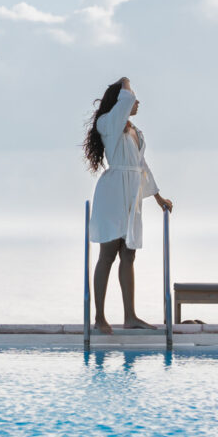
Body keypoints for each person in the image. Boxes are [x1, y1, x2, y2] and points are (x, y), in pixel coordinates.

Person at [83, 77, 173, 334]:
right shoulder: (109, 123)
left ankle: (130, 315)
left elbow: (141, 166)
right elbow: (127, 98)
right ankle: (99, 317)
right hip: (112, 192)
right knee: (108, 253)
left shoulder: (134, 131)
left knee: (129, 253)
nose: (137, 102)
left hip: (132, 193)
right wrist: (125, 80)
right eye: (132, 99)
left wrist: (158, 198)